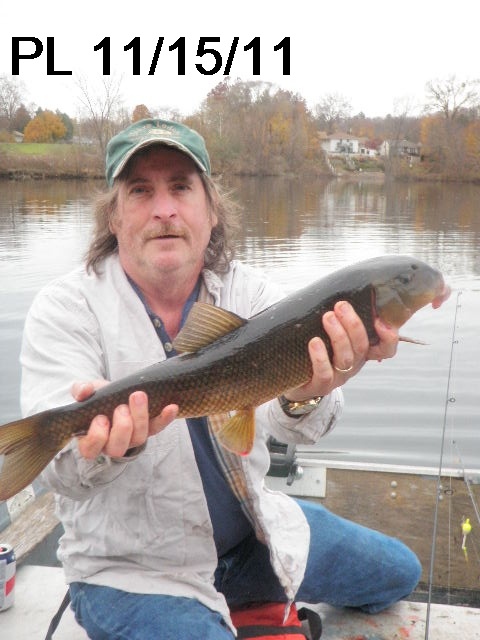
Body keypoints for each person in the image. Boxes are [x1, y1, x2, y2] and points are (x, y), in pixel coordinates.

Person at [20, 119, 421, 640]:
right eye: (141, 190)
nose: (164, 209)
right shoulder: (65, 309)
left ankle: (251, 597)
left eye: (182, 187)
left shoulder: (252, 294)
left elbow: (290, 427)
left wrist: (306, 394)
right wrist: (108, 448)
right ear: (113, 217)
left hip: (256, 537)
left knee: (400, 573)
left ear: (212, 210)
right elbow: (59, 473)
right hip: (134, 572)